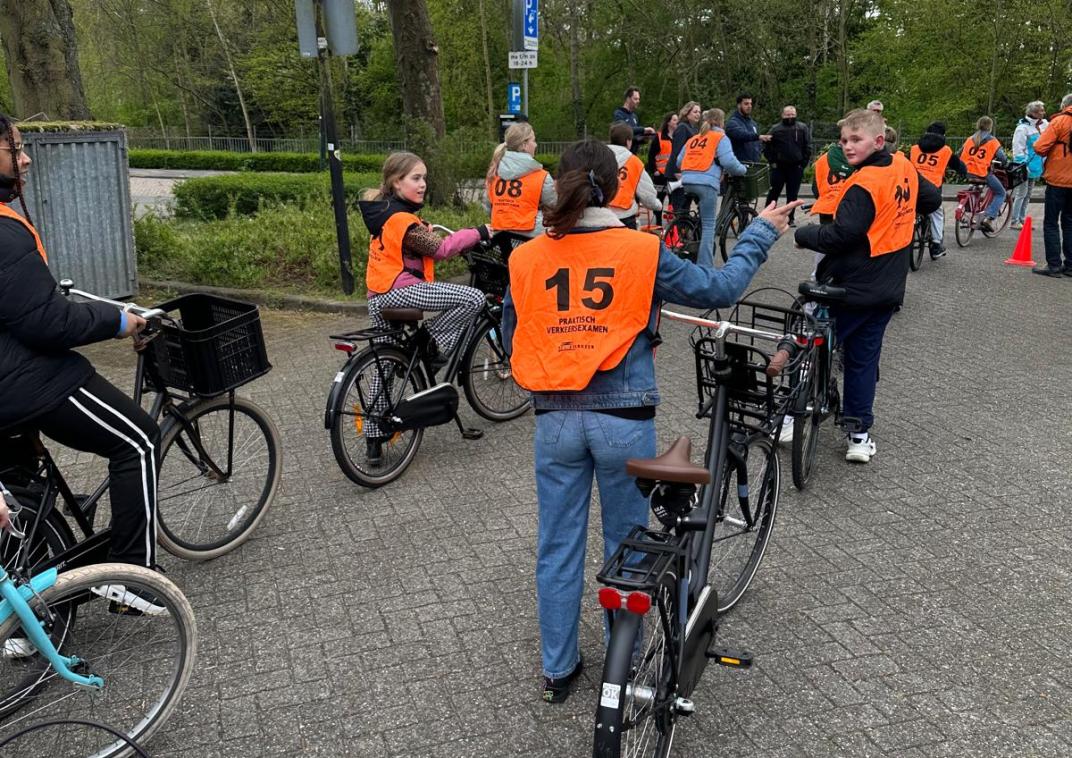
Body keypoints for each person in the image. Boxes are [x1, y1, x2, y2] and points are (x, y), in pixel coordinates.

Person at [502, 137, 802, 703]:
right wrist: (760, 232)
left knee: (557, 546)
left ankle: (558, 669)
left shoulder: (525, 256)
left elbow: (511, 332)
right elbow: (718, 289)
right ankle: (628, 663)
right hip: (624, 417)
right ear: (616, 187)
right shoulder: (640, 249)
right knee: (631, 544)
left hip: (555, 420)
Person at [0, 114, 161, 595]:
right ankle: (132, 578)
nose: (26, 158)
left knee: (20, 494)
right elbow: (45, 322)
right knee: (138, 440)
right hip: (26, 380)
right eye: (16, 148)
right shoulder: (4, 232)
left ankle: (24, 614)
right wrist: (116, 321)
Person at [794, 109, 941, 464]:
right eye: (843, 140)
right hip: (888, 286)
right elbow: (932, 199)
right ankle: (859, 436)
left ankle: (790, 416)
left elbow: (843, 235)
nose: (847, 146)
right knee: (862, 360)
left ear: (878, 140)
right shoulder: (903, 166)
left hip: (850, 285)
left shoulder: (864, 184)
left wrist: (803, 234)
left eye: (855, 139)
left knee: (809, 344)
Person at [358, 152, 491, 460]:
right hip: (401, 291)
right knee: (473, 298)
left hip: (377, 295)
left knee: (385, 362)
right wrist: (480, 232)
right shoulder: (402, 219)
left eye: (424, 178)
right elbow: (442, 249)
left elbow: (410, 246)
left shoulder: (386, 212)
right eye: (416, 178)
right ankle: (432, 342)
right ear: (396, 181)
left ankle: (374, 440)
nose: (423, 184)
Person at [677, 108, 747, 267]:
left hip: (687, 181)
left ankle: (691, 242)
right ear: (721, 122)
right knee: (709, 225)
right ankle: (705, 265)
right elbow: (729, 162)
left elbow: (679, 161)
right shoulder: (720, 137)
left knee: (700, 218)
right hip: (706, 183)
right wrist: (742, 170)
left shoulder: (694, 138)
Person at [484, 122, 556, 237]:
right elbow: (556, 207)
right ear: (524, 145)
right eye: (534, 140)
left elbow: (488, 208)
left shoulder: (493, 173)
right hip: (532, 238)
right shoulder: (541, 177)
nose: (536, 145)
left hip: (500, 237)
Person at [909, 121, 968, 259]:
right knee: (937, 212)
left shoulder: (914, 148)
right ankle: (936, 245)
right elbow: (959, 166)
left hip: (912, 185)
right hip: (932, 188)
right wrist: (965, 173)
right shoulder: (945, 150)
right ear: (943, 135)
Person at [1031, 93, 1072, 277]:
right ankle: (1070, 265)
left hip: (1058, 180)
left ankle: (1054, 265)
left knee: (1051, 223)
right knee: (1070, 223)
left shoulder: (1060, 121)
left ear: (1065, 106)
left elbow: (1039, 147)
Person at [763, 105, 812, 226]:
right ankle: (767, 216)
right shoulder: (775, 129)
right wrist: (772, 161)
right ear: (782, 115)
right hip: (778, 167)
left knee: (793, 194)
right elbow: (766, 146)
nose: (790, 117)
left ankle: (790, 218)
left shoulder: (802, 128)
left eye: (792, 114)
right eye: (787, 114)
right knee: (774, 192)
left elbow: (808, 146)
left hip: (796, 167)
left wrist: (803, 163)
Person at [958, 116, 1007, 234]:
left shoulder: (970, 139)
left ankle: (972, 206)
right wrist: (1005, 163)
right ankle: (989, 218)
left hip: (967, 171)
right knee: (1001, 193)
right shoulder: (993, 141)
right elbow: (1002, 157)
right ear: (990, 127)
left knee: (975, 186)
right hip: (981, 172)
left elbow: (959, 153)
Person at [607, 122, 661, 229]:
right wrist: (657, 205)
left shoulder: (599, 157)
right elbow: (647, 195)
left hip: (602, 214)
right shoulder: (634, 162)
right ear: (628, 141)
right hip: (624, 215)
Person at [1010, 101, 1049, 230]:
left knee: (1028, 194)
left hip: (1036, 165)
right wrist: (1022, 164)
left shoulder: (1044, 124)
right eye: (1040, 111)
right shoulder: (1022, 128)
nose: (1043, 113)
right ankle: (1015, 220)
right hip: (1025, 165)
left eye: (1043, 110)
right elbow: (1018, 148)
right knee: (1021, 193)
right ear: (1032, 113)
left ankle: (1021, 218)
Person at [666, 101, 702, 212]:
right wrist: (678, 172)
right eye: (695, 111)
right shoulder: (682, 127)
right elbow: (676, 151)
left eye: (699, 112)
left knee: (687, 204)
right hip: (679, 173)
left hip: (689, 172)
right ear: (687, 113)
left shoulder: (694, 129)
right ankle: (680, 227)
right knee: (681, 206)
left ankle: (687, 227)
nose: (698, 114)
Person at [646, 112, 678, 218]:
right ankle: (658, 222)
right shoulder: (659, 137)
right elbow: (651, 155)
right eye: (674, 120)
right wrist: (654, 170)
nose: (677, 122)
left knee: (674, 200)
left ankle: (672, 224)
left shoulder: (678, 137)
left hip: (674, 175)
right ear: (668, 122)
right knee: (659, 199)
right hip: (660, 175)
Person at [726, 93, 771, 163]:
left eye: (750, 104)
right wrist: (759, 137)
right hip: (740, 165)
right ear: (739, 105)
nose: (749, 106)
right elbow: (742, 135)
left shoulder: (753, 123)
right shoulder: (732, 123)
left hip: (755, 165)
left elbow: (757, 143)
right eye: (746, 104)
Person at [611, 87, 655, 154]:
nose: (638, 101)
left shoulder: (634, 116)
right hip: (622, 155)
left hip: (633, 155)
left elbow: (634, 137)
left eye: (639, 99)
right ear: (628, 99)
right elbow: (625, 131)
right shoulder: (618, 114)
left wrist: (644, 139)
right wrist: (644, 129)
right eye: (635, 99)